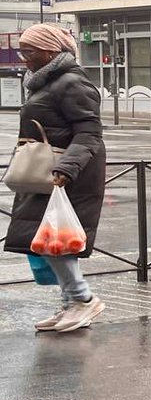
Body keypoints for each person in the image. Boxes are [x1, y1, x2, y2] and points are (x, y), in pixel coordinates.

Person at [4, 25, 105, 333]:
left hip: (68, 174)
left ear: (50, 52)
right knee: (49, 240)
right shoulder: (46, 83)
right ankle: (71, 304)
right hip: (48, 174)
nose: (24, 59)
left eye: (29, 52)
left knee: (54, 241)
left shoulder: (71, 83)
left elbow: (89, 133)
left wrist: (65, 170)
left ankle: (83, 300)